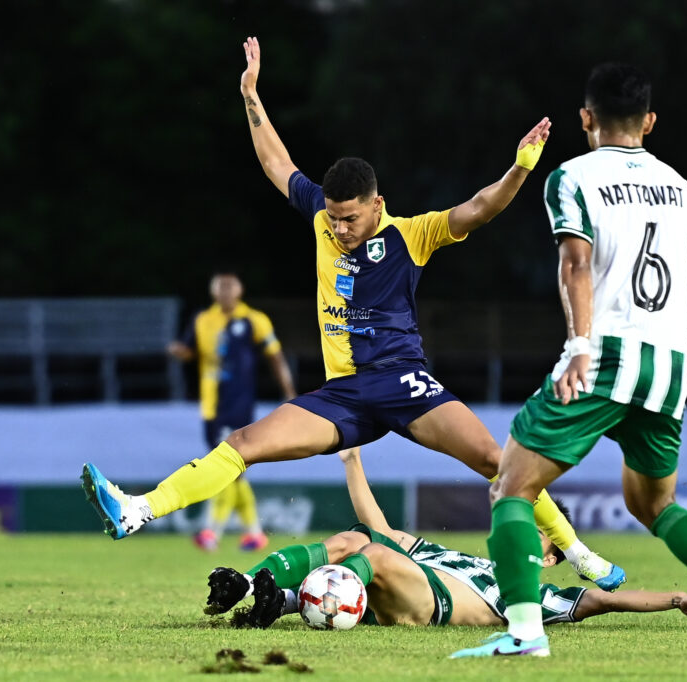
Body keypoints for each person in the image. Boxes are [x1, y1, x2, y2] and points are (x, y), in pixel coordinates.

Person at [81, 35, 624, 590]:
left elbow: (479, 209)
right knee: (242, 444)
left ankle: (579, 554)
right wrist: (250, 94)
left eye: (351, 219)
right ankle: (137, 509)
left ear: (377, 205)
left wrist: (519, 169)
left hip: (401, 382)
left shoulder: (411, 235)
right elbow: (275, 162)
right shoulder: (321, 214)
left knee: (494, 458)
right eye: (334, 218)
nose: (339, 228)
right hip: (343, 395)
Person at [451, 63, 687, 658]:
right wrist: (666, 299)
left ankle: (525, 633)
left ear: (586, 118)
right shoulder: (680, 187)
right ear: (649, 121)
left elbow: (576, 264)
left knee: (512, 488)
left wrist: (579, 345)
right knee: (653, 505)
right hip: (670, 365)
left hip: (604, 356)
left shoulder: (572, 177)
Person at [204, 447, 687, 633]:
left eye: (536, 531)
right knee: (358, 537)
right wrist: (352, 461)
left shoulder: (539, 595)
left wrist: (677, 599)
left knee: (376, 552)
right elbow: (379, 528)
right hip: (415, 580)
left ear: (550, 556)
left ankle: (293, 599)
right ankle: (254, 587)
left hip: (431, 604)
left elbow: (608, 600)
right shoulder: (458, 557)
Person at [167, 270, 298, 552]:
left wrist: (288, 392)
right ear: (214, 292)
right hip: (211, 406)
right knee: (234, 471)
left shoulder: (254, 320)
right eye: (221, 287)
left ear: (239, 291)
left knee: (227, 467)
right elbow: (190, 349)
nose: (226, 292)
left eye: (230, 287)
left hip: (238, 406)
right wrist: (180, 351)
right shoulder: (203, 320)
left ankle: (212, 531)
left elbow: (275, 355)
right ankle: (254, 533)